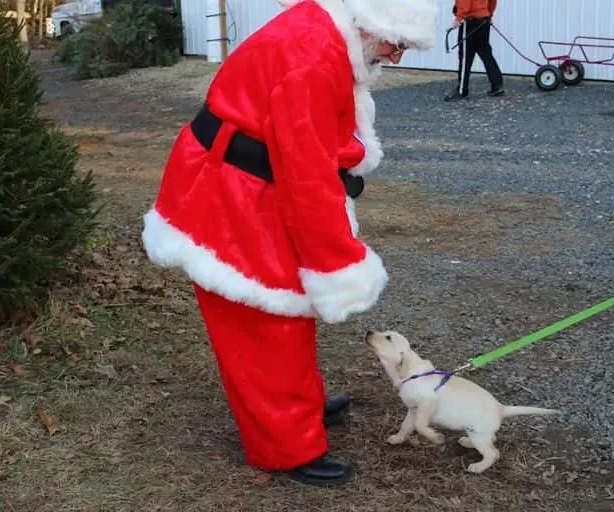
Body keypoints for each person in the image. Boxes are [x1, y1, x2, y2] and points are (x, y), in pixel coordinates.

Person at [140, 0, 437, 486]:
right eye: (396, 42)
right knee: (261, 325)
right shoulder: (313, 59)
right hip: (229, 195)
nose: (395, 55)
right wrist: (338, 262)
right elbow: (308, 177)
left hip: (245, 184)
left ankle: (297, 410)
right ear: (372, 21)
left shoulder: (327, 35)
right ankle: (283, 445)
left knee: (286, 313)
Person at [444, 0, 504, 101]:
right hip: (484, 21)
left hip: (470, 22)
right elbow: (492, 1)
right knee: (485, 53)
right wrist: (489, 14)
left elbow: (465, 3)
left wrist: (458, 18)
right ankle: (497, 86)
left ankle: (462, 91)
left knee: (465, 57)